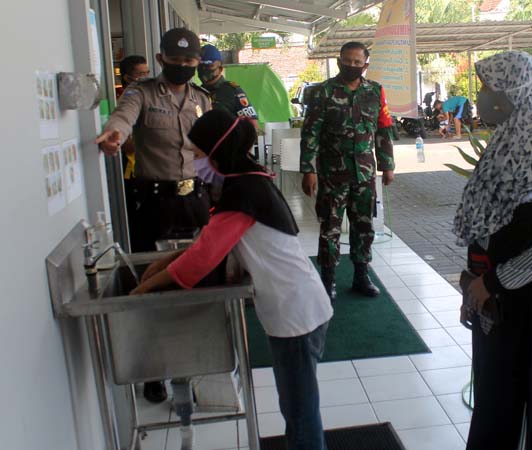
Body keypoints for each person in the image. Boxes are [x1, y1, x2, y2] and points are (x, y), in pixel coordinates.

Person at [131, 109, 333, 450]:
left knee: (300, 415)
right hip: (297, 308)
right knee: (297, 410)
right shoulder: (247, 181)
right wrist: (158, 265)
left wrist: (146, 287)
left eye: (197, 154)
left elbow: (199, 261)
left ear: (217, 151)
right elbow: (208, 242)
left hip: (296, 315)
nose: (194, 162)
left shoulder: (243, 194)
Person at [454, 51, 532, 449]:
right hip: (493, 296)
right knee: (494, 391)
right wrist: (473, 282)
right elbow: (489, 225)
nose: (483, 96)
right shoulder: (506, 144)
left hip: (522, 303)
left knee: (516, 392)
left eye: (489, 87)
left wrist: (493, 282)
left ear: (512, 92)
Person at [96, 28, 211, 404]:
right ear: (161, 59)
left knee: (198, 282)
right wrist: (113, 134)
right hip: (155, 203)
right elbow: (123, 116)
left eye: (189, 62)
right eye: (175, 61)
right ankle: (154, 370)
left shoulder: (201, 99)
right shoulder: (141, 93)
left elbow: (211, 147)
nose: (182, 67)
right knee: (153, 285)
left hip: (195, 201)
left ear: (197, 64)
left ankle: (194, 361)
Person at [300, 41, 395, 301]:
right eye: (347, 61)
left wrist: (387, 165)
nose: (351, 65)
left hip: (364, 175)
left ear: (365, 64)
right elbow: (311, 133)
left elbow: (383, 130)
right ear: (339, 60)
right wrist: (308, 170)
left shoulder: (375, 91)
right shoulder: (323, 92)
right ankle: (328, 280)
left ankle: (361, 276)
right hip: (332, 175)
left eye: (357, 62)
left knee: (363, 227)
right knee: (330, 227)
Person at [116, 55, 149, 238]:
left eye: (147, 72)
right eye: (140, 74)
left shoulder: (149, 99)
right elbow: (125, 144)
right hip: (131, 174)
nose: (145, 77)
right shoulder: (123, 102)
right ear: (128, 77)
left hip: (147, 171)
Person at [197, 44, 259, 129]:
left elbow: (252, 125)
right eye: (200, 66)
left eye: (209, 66)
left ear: (220, 69)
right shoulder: (196, 92)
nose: (204, 70)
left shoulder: (232, 91)